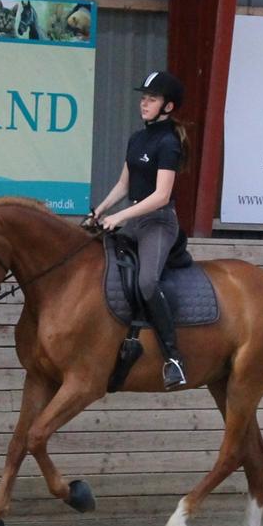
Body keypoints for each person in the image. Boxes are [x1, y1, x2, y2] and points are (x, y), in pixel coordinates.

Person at [90, 70, 191, 389]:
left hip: (159, 222)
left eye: (152, 99)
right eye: (143, 98)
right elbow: (124, 184)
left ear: (168, 107)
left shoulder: (168, 142)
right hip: (135, 218)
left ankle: (174, 358)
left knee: (147, 282)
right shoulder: (137, 138)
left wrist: (121, 218)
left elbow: (161, 195)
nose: (144, 103)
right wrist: (101, 210)